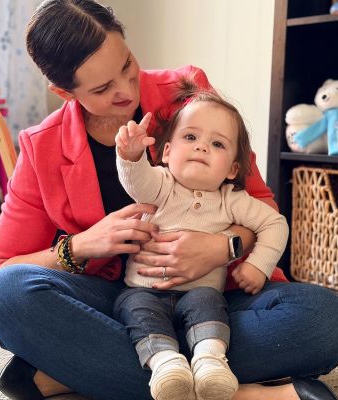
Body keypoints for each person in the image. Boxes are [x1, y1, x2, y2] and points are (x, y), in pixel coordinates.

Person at [0, 1, 338, 399]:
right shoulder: (43, 146)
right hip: (121, 302)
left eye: (127, 65)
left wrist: (220, 247)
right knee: (7, 296)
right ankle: (246, 392)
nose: (125, 90)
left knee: (325, 320)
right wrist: (81, 245)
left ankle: (79, 373)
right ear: (64, 92)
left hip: (217, 298)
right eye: (102, 88)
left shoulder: (186, 92)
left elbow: (261, 204)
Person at [113, 83, 290, 400]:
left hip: (200, 293)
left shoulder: (231, 199)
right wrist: (130, 155)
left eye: (218, 144)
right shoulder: (161, 184)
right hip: (144, 290)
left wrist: (258, 266)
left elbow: (275, 223)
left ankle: (210, 362)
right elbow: (136, 181)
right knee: (132, 308)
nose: (201, 147)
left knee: (210, 303)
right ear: (166, 152)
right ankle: (166, 365)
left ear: (233, 168)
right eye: (190, 137)